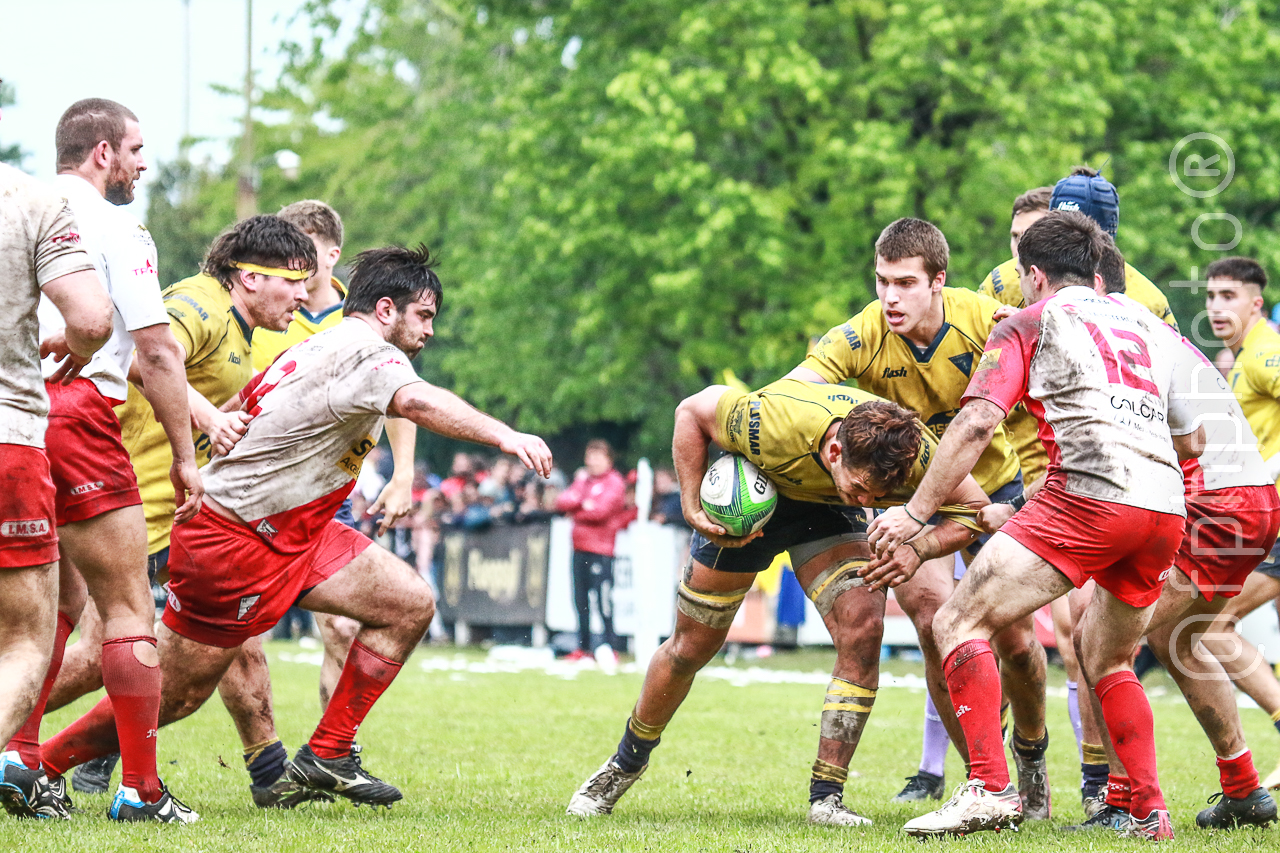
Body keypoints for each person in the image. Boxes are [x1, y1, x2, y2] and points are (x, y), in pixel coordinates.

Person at [38, 244, 552, 810]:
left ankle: (328, 752)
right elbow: (420, 404)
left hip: (294, 529)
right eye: (423, 316)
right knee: (175, 690)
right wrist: (507, 436)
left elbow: (245, 402)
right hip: (236, 537)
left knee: (408, 603)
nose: (429, 330)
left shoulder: (326, 343)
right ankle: (38, 763)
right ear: (385, 310)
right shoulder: (360, 352)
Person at [872, 211, 1199, 840]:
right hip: (1162, 507)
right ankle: (1151, 813)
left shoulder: (1029, 320)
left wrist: (914, 516)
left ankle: (988, 788)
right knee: (1108, 657)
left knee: (956, 620)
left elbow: (974, 425)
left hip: (1088, 496)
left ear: (1034, 274)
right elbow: (1192, 435)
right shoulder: (1146, 326)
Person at [567, 377, 988, 826]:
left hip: (825, 511)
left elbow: (975, 511)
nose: (871, 503)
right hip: (754, 495)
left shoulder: (916, 456)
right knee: (690, 648)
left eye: (881, 497)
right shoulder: (769, 421)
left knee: (864, 628)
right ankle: (623, 765)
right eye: (864, 490)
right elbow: (690, 410)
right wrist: (691, 506)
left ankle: (826, 799)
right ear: (834, 453)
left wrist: (919, 547)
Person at [41, 215, 318, 807]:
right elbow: (145, 360)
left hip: (170, 507)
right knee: (104, 649)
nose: (303, 293)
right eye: (294, 280)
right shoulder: (200, 304)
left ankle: (268, 769)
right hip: (129, 495)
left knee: (226, 634)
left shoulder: (237, 324)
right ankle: (39, 755)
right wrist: (210, 418)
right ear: (248, 277)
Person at [786, 217, 1049, 817]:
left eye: (905, 283)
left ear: (938, 281)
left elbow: (1048, 402)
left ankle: (1031, 754)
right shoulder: (864, 333)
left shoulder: (985, 321)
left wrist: (1036, 485)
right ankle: (986, 781)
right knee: (935, 624)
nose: (889, 298)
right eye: (881, 282)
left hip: (992, 489)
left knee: (1015, 639)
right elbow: (799, 390)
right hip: (903, 503)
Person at [5, 99, 204, 823]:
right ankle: (141, 791)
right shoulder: (116, 226)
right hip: (77, 409)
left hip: (15, 420)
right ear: (101, 153)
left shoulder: (17, 207)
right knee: (129, 609)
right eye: (136, 149)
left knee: (46, 607)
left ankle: (19, 760)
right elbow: (154, 349)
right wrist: (186, 459)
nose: (143, 164)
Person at [976, 174, 1181, 815]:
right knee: (1056, 638)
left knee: (1079, 640)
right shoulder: (999, 283)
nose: (1021, 254)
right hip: (1030, 475)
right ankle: (1094, 789)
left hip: (1096, 482)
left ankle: (1100, 785)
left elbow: (1169, 394)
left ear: (1103, 240)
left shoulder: (1138, 298)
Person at [255, 200, 421, 756]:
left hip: (328, 499)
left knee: (344, 629)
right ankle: (263, 757)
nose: (292, 267)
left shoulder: (364, 324)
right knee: (221, 641)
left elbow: (402, 400)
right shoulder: (261, 314)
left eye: (302, 252)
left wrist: (403, 475)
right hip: (252, 496)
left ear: (331, 254)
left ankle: (329, 753)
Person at [0, 117, 114, 817]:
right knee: (24, 636)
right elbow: (94, 318)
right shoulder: (32, 202)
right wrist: (73, 341)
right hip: (7, 436)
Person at [1199, 256, 1280, 790]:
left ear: (1256, 302)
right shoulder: (1245, 352)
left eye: (1228, 297)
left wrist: (1269, 470)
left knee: (1213, 626)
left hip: (1273, 510)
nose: (1215, 308)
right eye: (1209, 297)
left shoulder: (1265, 351)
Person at [555, 440, 628, 662]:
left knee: (603, 600)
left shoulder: (614, 482)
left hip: (602, 551)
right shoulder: (583, 481)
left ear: (608, 460)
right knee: (580, 601)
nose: (592, 462)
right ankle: (583, 648)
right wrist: (582, 504)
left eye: (597, 457)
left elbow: (601, 512)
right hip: (579, 548)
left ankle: (609, 647)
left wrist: (577, 511)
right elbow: (562, 501)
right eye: (590, 456)